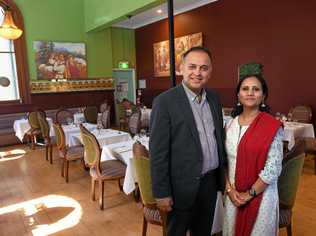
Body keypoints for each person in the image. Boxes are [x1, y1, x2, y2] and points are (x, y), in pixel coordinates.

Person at [149, 46, 227, 236]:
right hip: (179, 188)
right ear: (181, 68)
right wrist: (161, 192)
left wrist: (223, 180)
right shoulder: (164, 102)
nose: (197, 73)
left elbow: (218, 139)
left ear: (210, 71)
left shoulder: (214, 99)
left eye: (204, 68)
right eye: (192, 67)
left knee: (204, 232)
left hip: (209, 183)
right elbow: (158, 153)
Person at [222, 64, 283, 236]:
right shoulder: (229, 125)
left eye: (256, 89)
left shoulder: (271, 126)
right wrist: (229, 190)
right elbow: (223, 162)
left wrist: (249, 194)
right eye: (245, 89)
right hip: (232, 195)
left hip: (261, 197)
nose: (250, 93)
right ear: (238, 95)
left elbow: (273, 168)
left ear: (263, 96)